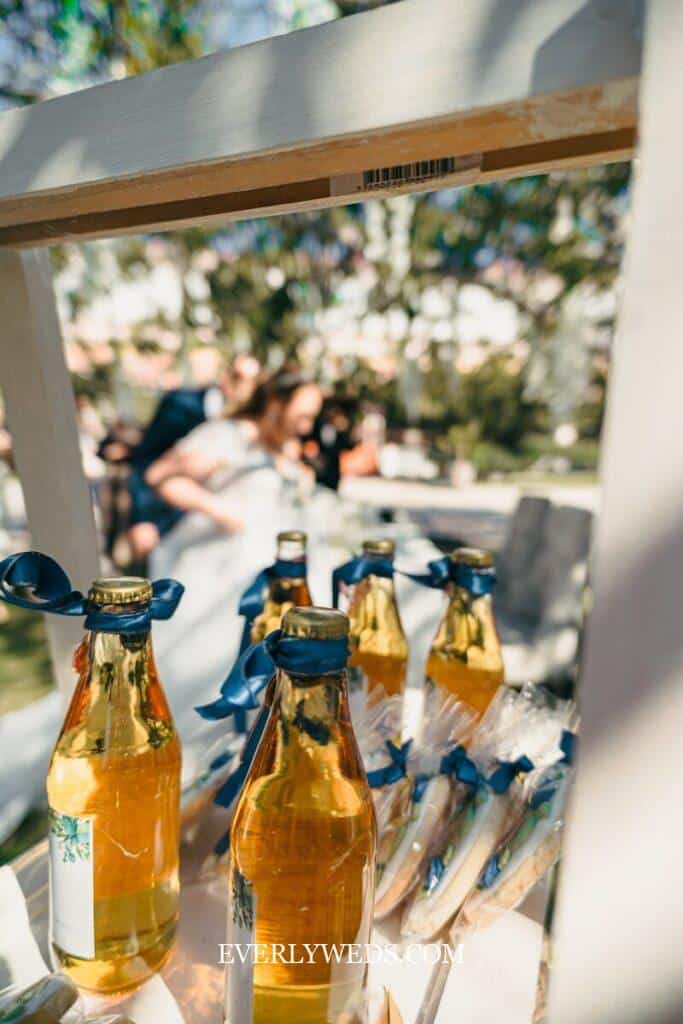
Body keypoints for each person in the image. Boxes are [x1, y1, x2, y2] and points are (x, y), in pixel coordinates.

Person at [146, 370, 323, 751]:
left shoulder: (281, 446)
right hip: (222, 568)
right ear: (276, 404)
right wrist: (219, 510)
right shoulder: (228, 438)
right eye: (303, 415)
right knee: (208, 661)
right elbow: (160, 475)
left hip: (269, 570)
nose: (307, 427)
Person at [127, 354, 260, 562]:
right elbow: (147, 460)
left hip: (217, 534)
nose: (243, 386)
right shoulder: (179, 404)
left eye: (252, 381)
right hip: (167, 520)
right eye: (237, 376)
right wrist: (142, 518)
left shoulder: (252, 425)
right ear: (225, 375)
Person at [303, 395, 356, 491]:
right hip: (319, 469)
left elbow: (347, 446)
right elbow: (308, 442)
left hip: (334, 470)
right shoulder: (317, 426)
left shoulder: (339, 429)